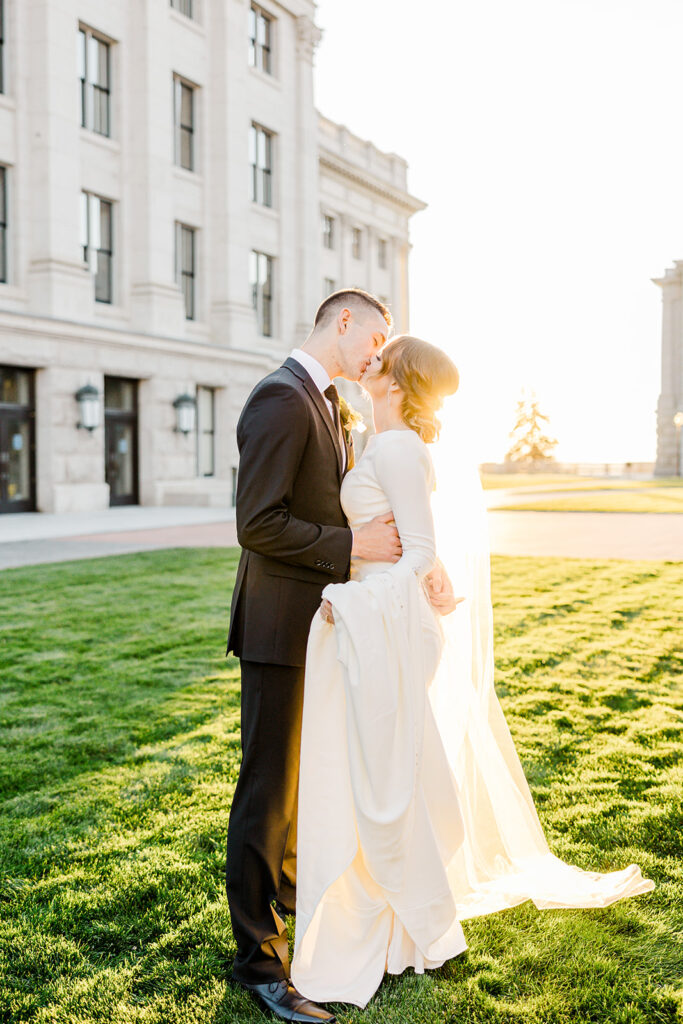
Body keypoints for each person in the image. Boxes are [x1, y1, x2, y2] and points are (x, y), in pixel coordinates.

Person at [291, 335, 654, 1009]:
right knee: (387, 774)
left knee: (385, 782)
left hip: (386, 625)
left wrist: (349, 599)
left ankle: (421, 928)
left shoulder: (398, 449)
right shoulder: (382, 439)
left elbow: (418, 552)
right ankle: (406, 920)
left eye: (383, 355)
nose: (369, 357)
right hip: (382, 622)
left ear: (398, 382)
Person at [225, 291, 454, 1024]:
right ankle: (259, 964)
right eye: (375, 334)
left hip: (325, 627)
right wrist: (351, 548)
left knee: (301, 783)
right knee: (265, 793)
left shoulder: (329, 404)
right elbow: (257, 524)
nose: (378, 352)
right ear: (343, 322)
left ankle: (298, 907)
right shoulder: (280, 397)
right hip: (278, 627)